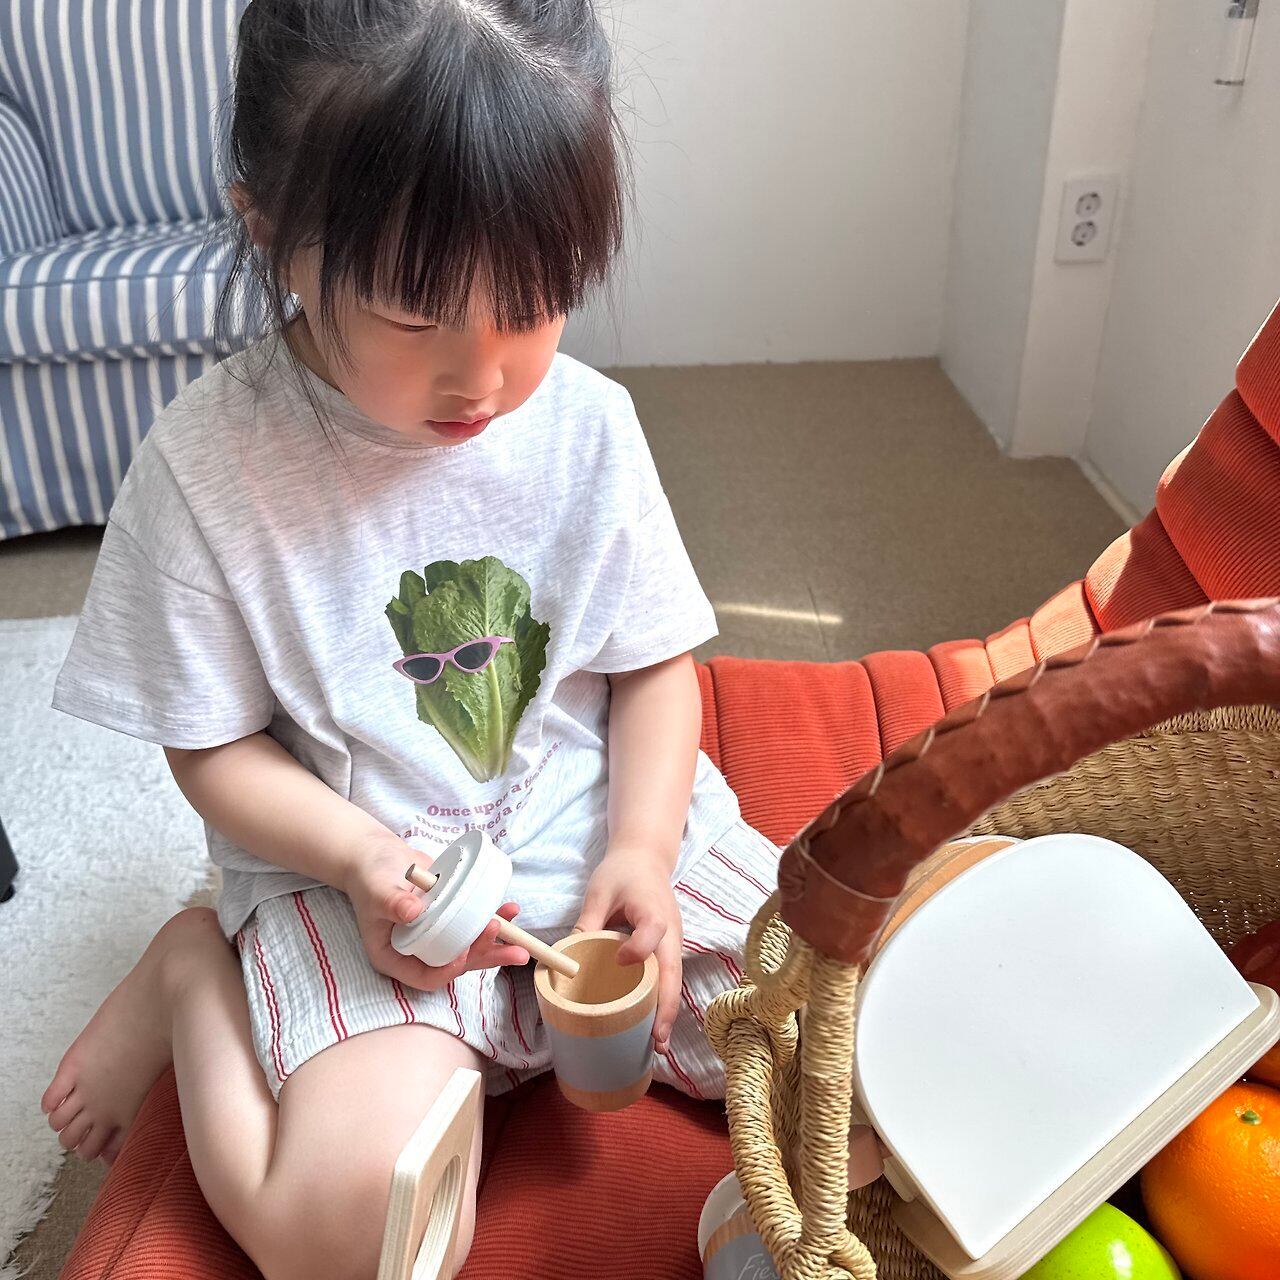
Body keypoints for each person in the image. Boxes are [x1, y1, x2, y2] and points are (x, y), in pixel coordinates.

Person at [42, 2, 779, 1276]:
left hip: (588, 824)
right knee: (339, 1235)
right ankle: (188, 976)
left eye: (534, 302)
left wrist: (643, 850)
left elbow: (654, 666)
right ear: (273, 233)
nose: (481, 376)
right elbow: (210, 749)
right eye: (413, 312)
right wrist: (354, 856)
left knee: (859, 1023)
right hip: (355, 874)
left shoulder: (587, 427)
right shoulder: (208, 466)